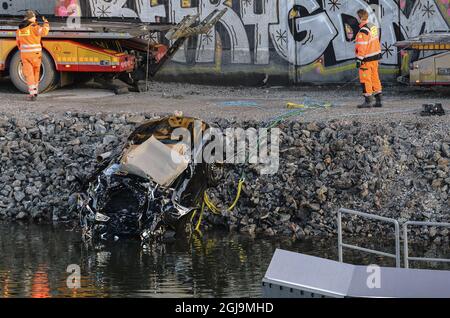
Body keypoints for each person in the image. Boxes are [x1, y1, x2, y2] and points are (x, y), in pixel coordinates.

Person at [16, 10, 50, 101]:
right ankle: (35, 91)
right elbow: (44, 32)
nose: (35, 18)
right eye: (34, 17)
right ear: (30, 18)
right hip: (35, 55)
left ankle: (32, 93)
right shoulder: (34, 27)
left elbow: (18, 43)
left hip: (25, 55)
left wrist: (23, 51)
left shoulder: (19, 29)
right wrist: (46, 23)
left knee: (28, 74)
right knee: (36, 72)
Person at [355, 9, 382, 108]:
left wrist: (359, 59)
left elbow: (362, 46)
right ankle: (378, 100)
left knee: (365, 79)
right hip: (375, 57)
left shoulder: (363, 31)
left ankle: (368, 101)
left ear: (360, 17)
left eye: (357, 17)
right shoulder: (372, 26)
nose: (356, 19)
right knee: (375, 78)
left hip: (366, 59)